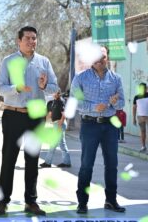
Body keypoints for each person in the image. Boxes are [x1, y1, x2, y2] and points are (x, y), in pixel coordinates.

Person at [0, 26, 58, 217]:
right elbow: (0, 88)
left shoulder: (43, 62)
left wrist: (44, 85)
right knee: (9, 159)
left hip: (35, 117)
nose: (32, 41)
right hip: (13, 115)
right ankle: (3, 202)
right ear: (19, 41)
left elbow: (55, 88)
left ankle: (31, 202)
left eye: (34, 38)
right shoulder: (8, 61)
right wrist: (17, 88)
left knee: (32, 160)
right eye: (28, 38)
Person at [70, 46, 125, 214]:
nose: (101, 60)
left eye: (104, 57)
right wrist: (95, 107)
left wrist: (115, 102)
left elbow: (122, 103)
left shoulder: (116, 78)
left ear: (107, 57)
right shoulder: (81, 78)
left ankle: (111, 200)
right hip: (89, 125)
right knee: (87, 165)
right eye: (97, 57)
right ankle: (82, 202)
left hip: (110, 126)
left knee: (112, 164)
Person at [39, 90, 71, 168]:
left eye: (56, 93)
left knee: (54, 144)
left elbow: (64, 114)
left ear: (58, 94)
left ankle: (48, 162)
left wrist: (59, 126)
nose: (54, 94)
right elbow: (50, 113)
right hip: (56, 124)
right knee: (62, 144)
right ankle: (66, 162)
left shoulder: (60, 102)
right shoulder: (54, 102)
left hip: (59, 124)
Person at [132, 82, 148, 152]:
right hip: (140, 117)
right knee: (142, 132)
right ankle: (143, 146)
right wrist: (134, 118)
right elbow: (134, 108)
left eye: (144, 88)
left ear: (146, 88)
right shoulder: (136, 97)